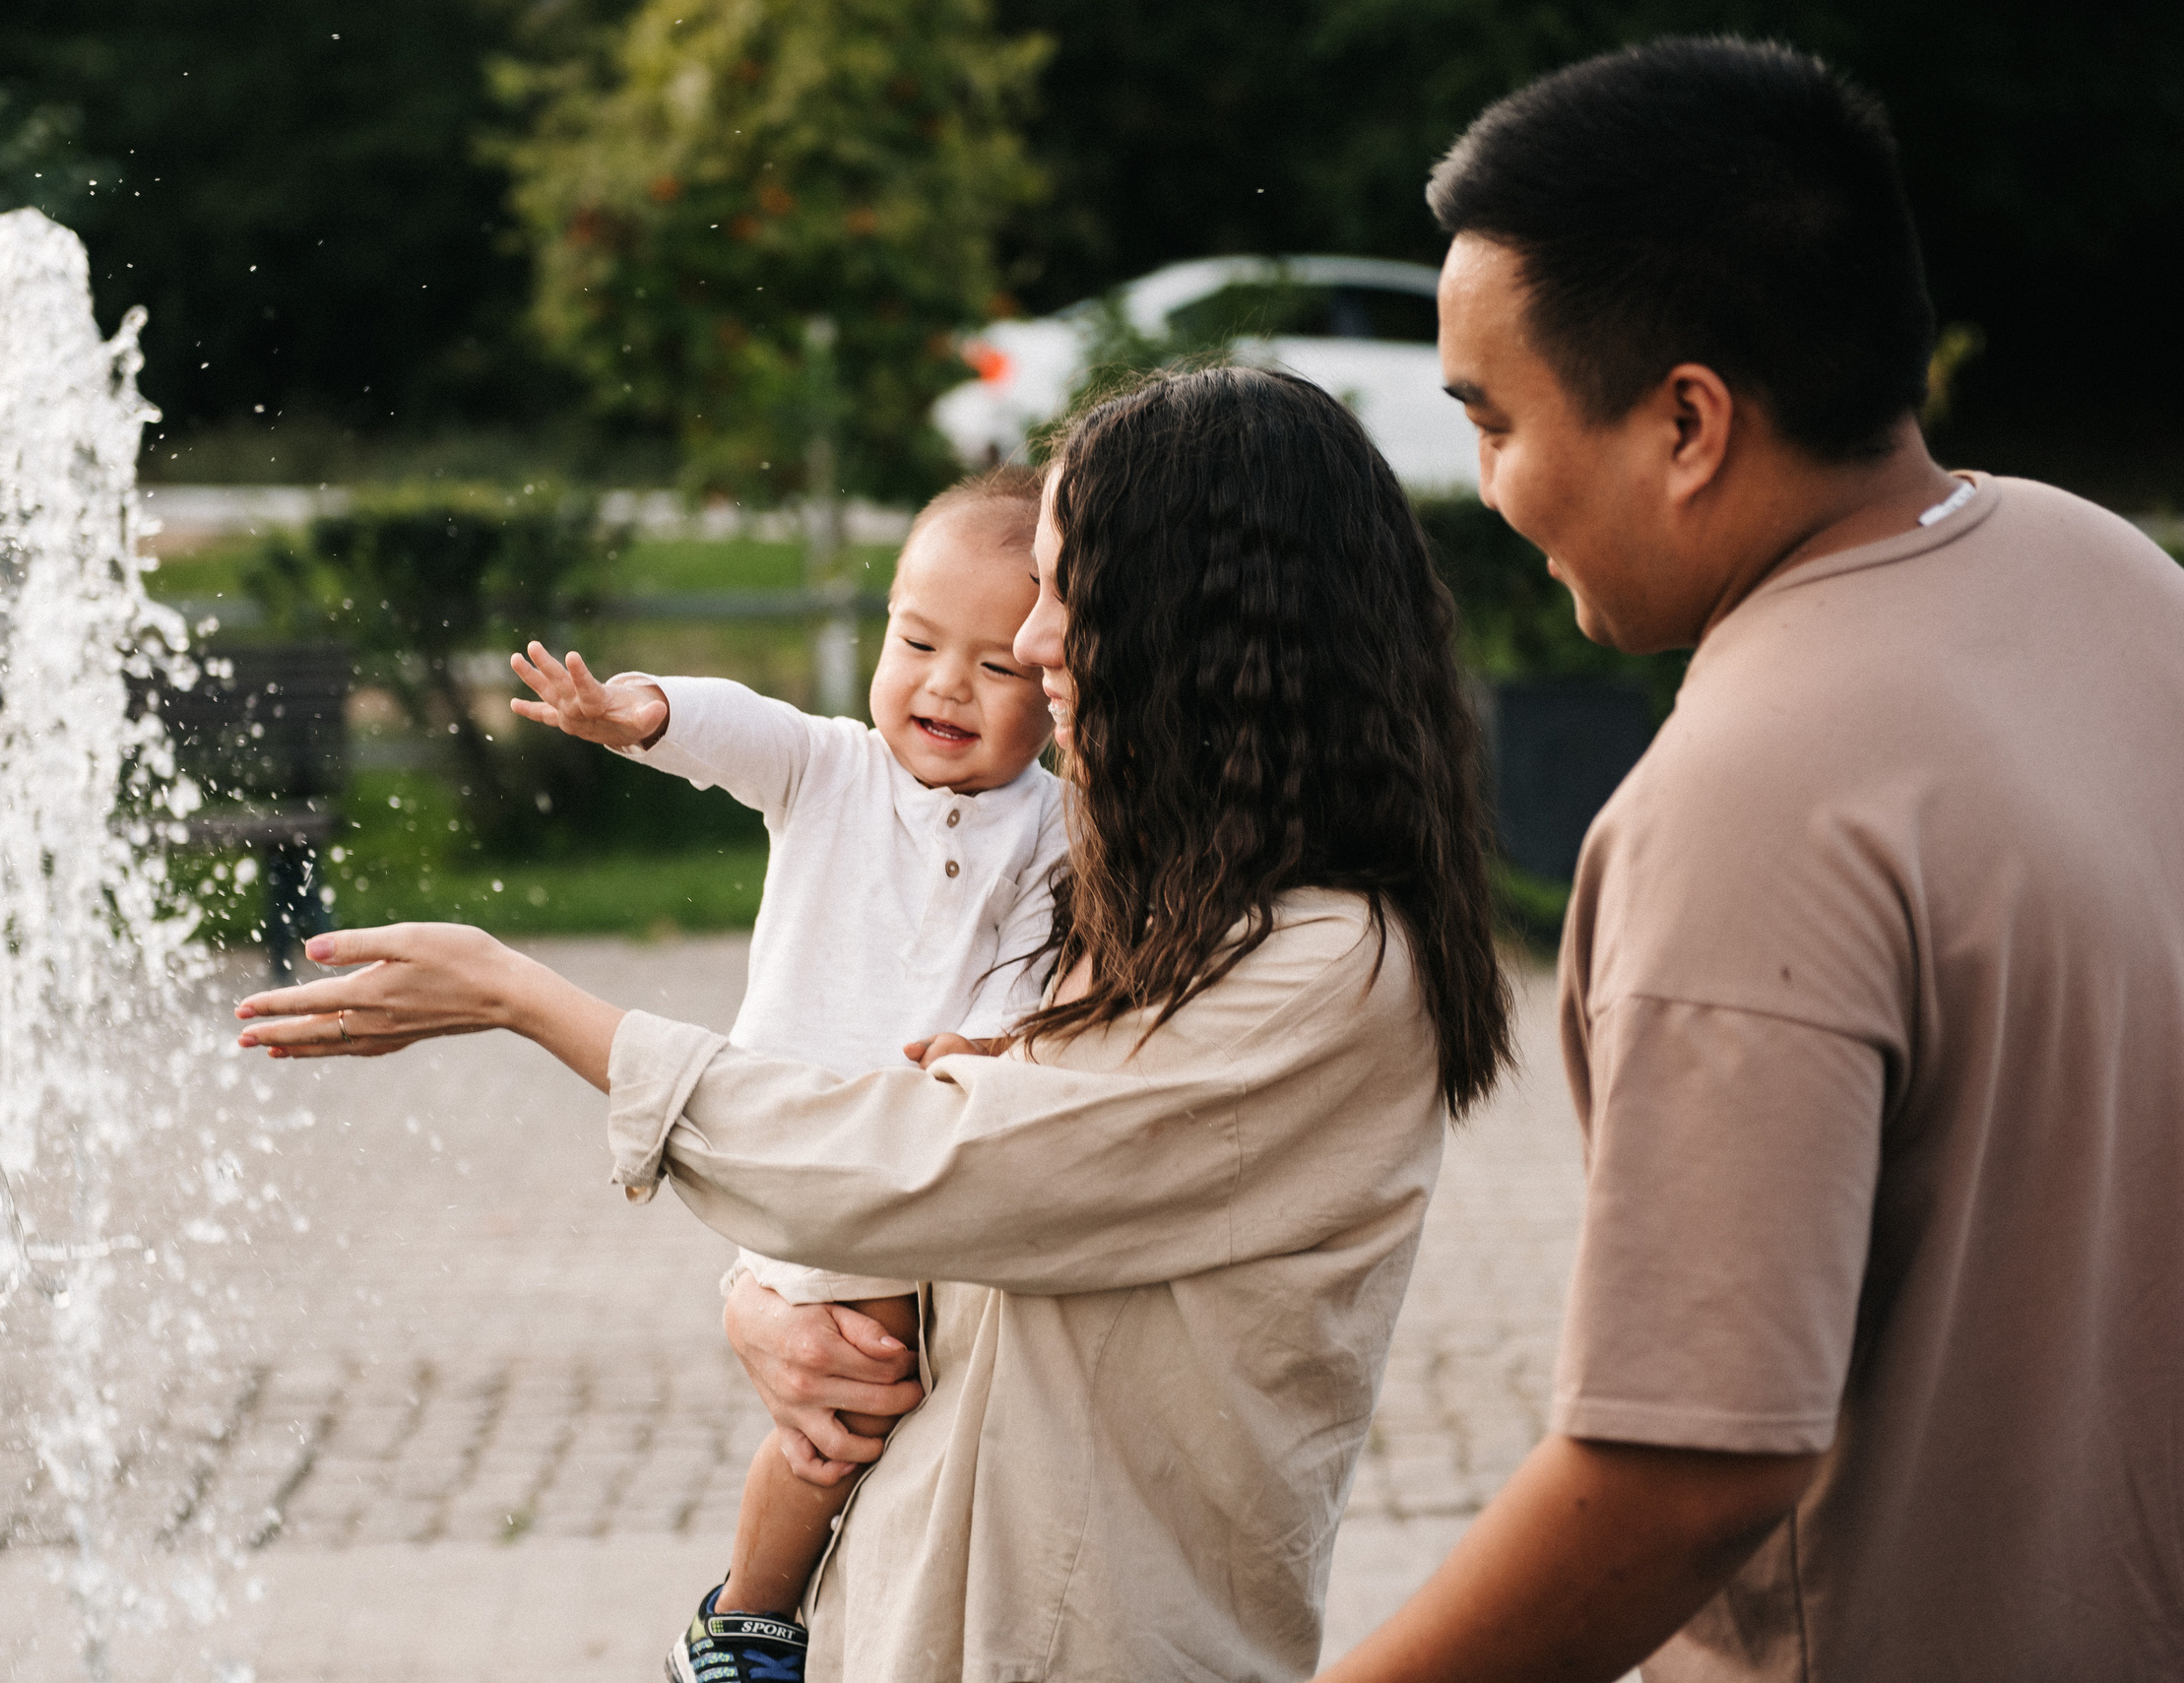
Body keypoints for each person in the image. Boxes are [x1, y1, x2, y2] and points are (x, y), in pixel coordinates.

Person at [236, 365, 1515, 1681]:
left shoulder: (1319, 966)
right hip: (903, 1614)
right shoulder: (1145, 897)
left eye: (1066, 594)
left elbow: (924, 1169)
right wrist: (768, 1305)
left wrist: (520, 996)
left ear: (1208, 627)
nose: (1029, 643)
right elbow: (933, 1211)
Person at [1314, 37, 2184, 1683]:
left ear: (1687, 421)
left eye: (1496, 421)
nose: (1490, 487)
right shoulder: (2112, 577)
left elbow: (1688, 1469)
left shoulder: (1742, 804)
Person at [504, 466, 1067, 1680]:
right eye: (916, 641)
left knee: (910, 1410)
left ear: (1058, 679)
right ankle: (744, 1623)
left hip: (938, 1170)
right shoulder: (831, 769)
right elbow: (735, 724)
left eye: (996, 664)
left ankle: (817, 1614)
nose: (944, 684)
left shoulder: (1057, 827)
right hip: (802, 1163)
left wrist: (991, 1045)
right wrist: (639, 709)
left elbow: (1037, 973)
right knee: (854, 1395)